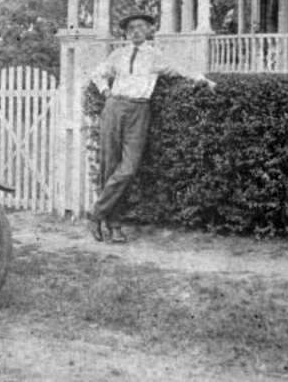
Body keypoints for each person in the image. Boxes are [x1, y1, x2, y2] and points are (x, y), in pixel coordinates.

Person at [87, 13, 215, 243]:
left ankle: (96, 214)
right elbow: (98, 73)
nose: (136, 31)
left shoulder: (155, 56)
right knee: (110, 167)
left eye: (141, 27)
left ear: (148, 31)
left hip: (139, 110)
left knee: (128, 169)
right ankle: (114, 225)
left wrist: (202, 79)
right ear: (127, 33)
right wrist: (106, 92)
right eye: (131, 28)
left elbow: (179, 69)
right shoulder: (118, 54)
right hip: (114, 107)